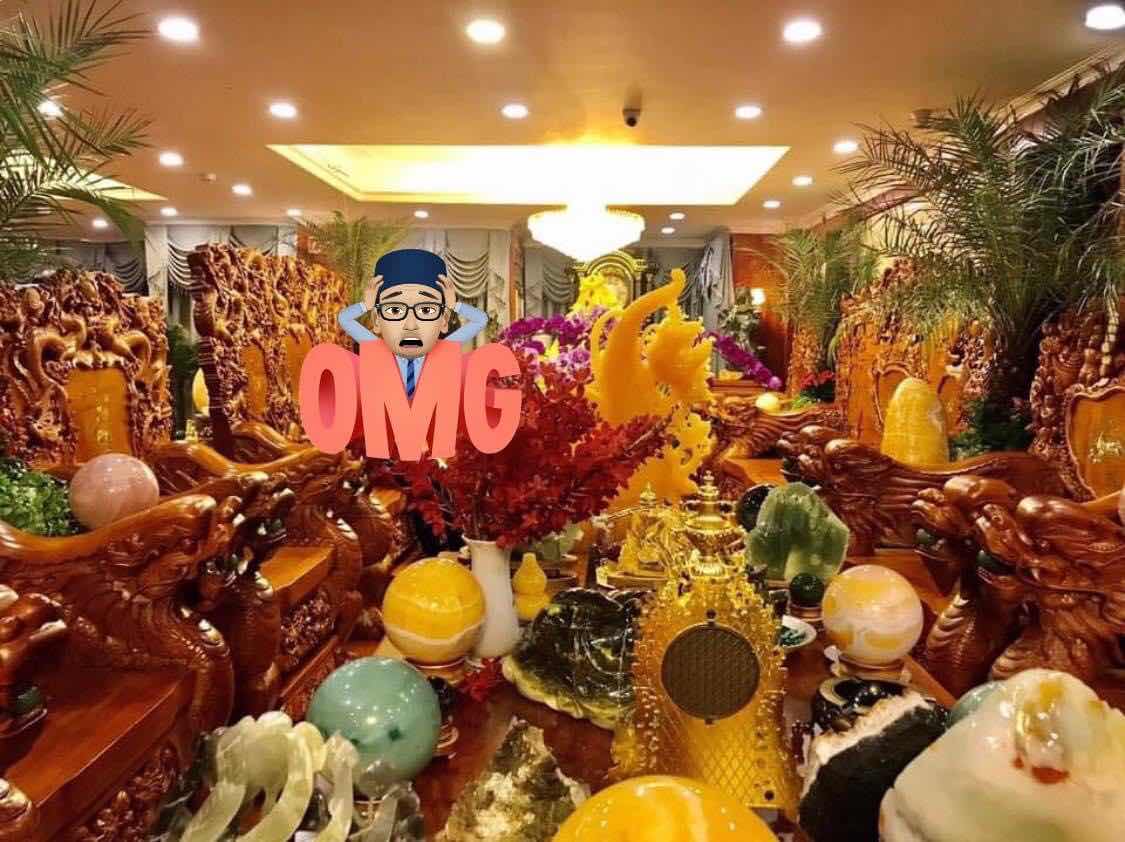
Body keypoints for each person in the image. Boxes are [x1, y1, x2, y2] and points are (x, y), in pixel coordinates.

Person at [337, 248, 488, 398]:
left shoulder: (444, 351)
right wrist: (366, 305)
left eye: (426, 310)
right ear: (377, 320)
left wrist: (454, 305)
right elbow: (344, 319)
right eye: (395, 310)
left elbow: (481, 320)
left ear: (444, 320)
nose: (410, 326)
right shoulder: (378, 351)